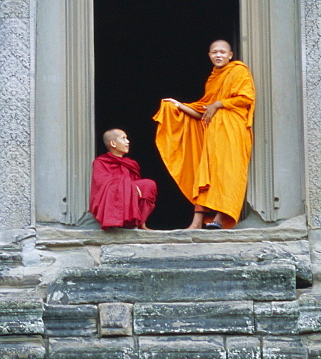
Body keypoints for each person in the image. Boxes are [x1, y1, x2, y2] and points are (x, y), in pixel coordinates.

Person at [154, 40, 255, 229]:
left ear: (230, 55)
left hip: (233, 130)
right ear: (209, 56)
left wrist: (218, 104)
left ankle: (219, 218)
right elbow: (203, 112)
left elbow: (245, 98)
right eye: (214, 52)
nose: (218, 55)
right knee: (206, 174)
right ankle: (196, 222)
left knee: (227, 173)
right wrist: (179, 106)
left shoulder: (239, 71)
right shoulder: (212, 79)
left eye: (222, 52)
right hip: (213, 133)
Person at [89, 129, 157, 230]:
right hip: (113, 197)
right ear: (113, 143)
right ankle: (116, 221)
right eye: (123, 138)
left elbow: (136, 186)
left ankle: (141, 223)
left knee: (148, 185)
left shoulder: (131, 163)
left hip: (129, 195)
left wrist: (131, 187)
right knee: (118, 189)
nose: (128, 141)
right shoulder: (100, 162)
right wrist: (131, 187)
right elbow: (103, 185)